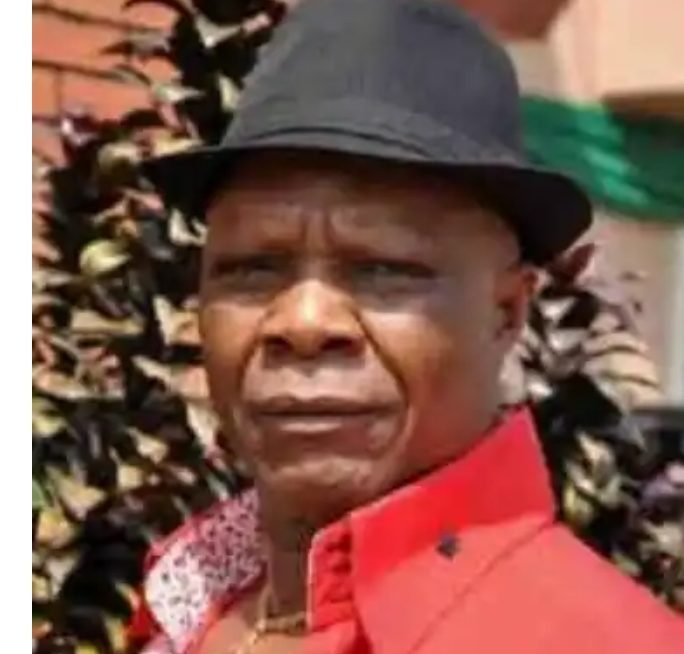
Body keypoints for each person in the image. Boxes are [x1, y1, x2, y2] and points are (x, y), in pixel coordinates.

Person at [137, 0, 684, 652]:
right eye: (252, 268)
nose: (303, 322)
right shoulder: (185, 604)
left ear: (507, 313)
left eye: (383, 270)